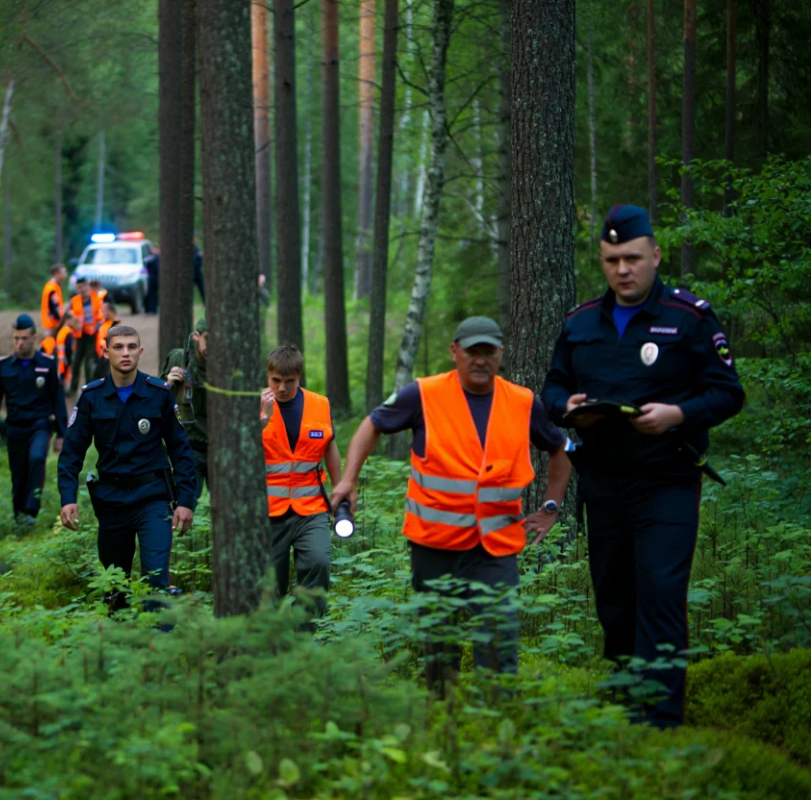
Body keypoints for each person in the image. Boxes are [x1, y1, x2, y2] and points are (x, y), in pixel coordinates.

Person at [543, 205, 745, 729]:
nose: (622, 269)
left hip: (666, 480)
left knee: (659, 592)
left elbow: (727, 393)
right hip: (603, 482)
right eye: (612, 260)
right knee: (614, 600)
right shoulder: (581, 321)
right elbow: (552, 388)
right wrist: (567, 406)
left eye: (632, 257)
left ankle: (660, 722)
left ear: (655, 255)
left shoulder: (690, 317)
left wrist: (679, 413)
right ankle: (625, 705)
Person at [331, 316, 572, 694]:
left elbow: (560, 449)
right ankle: (443, 720)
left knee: (498, 639)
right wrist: (348, 479)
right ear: (454, 351)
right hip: (434, 545)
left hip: (495, 547)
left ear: (500, 354)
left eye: (488, 352)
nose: (480, 360)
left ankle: (496, 722)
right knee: (438, 644)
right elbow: (372, 424)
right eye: (472, 351)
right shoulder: (423, 394)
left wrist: (550, 507)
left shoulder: (523, 402)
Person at [58, 324, 197, 613]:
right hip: (111, 501)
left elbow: (180, 450)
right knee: (115, 589)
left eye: (131, 347)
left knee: (157, 577)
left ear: (140, 352)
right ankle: (120, 648)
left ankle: (159, 644)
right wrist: (67, 497)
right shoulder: (92, 397)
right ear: (106, 352)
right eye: (118, 347)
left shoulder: (158, 394)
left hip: (152, 497)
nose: (125, 353)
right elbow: (71, 452)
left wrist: (185, 500)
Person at [260, 346, 342, 618]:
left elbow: (329, 446)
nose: (282, 388)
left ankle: (303, 630)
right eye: (276, 381)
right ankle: (271, 640)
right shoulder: (255, 406)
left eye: (289, 381)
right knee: (271, 584)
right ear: (268, 377)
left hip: (312, 507)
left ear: (299, 377)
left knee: (318, 561)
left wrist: (339, 490)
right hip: (269, 512)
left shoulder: (320, 404)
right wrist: (260, 419)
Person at [0, 315, 67, 527]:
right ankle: (19, 516)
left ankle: (31, 509)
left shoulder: (47, 365)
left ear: (34, 338)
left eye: (24, 338)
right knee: (18, 475)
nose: (19, 343)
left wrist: (62, 434)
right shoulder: (4, 367)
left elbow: (58, 400)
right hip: (15, 428)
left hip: (39, 425)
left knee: (37, 459)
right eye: (16, 338)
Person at [162, 318, 210, 503]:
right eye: (208, 340)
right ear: (197, 337)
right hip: (189, 447)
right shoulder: (179, 358)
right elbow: (156, 404)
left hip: (219, 448)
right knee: (183, 505)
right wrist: (168, 384)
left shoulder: (226, 364)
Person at [68, 276, 104, 393]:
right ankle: (73, 388)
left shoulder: (96, 299)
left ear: (88, 287)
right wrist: (73, 323)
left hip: (92, 335)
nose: (82, 290)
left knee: (89, 362)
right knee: (76, 362)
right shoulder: (75, 301)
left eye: (83, 287)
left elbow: (101, 316)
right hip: (79, 335)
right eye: (79, 288)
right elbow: (70, 316)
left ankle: (89, 388)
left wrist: (96, 328)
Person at [41, 310, 75, 384]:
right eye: (73, 320)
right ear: (68, 320)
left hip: (59, 361)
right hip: (64, 362)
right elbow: (69, 350)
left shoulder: (61, 331)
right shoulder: (68, 332)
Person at [93, 302, 121, 380]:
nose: (102, 313)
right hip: (102, 355)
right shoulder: (106, 323)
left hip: (106, 357)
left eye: (104, 310)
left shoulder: (114, 325)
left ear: (109, 311)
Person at [41, 263, 67, 335]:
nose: (66, 274)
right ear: (57, 274)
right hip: (52, 324)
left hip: (52, 324)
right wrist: (62, 320)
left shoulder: (54, 286)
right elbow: (54, 307)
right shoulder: (52, 289)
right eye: (64, 272)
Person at [144, 247, 160, 314]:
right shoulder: (151, 257)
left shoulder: (157, 258)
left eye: (155, 249)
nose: (154, 250)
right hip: (152, 278)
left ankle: (153, 309)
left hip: (155, 278)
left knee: (154, 295)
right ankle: (150, 309)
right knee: (151, 294)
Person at [192, 236, 205, 304]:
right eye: (195, 239)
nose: (196, 241)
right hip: (191, 273)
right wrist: (198, 256)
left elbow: (200, 262)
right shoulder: (190, 249)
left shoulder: (197, 249)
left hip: (198, 273)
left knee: (203, 290)